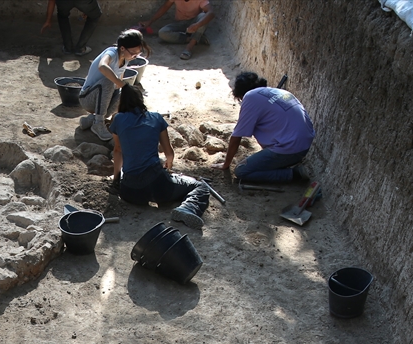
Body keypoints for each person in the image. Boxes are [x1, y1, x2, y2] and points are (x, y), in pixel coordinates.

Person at [111, 83, 211, 229]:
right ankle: (188, 208)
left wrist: (116, 180)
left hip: (130, 192)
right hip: (158, 186)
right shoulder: (156, 118)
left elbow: (118, 150)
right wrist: (169, 167)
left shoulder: (118, 119)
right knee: (200, 186)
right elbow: (169, 152)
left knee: (145, 181)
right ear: (141, 100)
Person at [221, 72, 315, 184]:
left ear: (241, 94)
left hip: (290, 149)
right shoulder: (278, 92)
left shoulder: (250, 97)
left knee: (242, 170)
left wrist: (226, 164)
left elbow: (236, 136)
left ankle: (294, 174)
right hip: (304, 146)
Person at [77, 28, 148, 143]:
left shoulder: (125, 60)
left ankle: (91, 120)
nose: (135, 56)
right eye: (133, 53)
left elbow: (118, 86)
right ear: (122, 48)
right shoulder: (111, 52)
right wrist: (122, 84)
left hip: (102, 100)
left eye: (138, 54)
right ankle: (98, 123)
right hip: (87, 98)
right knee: (109, 81)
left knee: (124, 92)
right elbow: (102, 66)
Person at [140, 0, 215, 60]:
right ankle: (196, 38)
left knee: (203, 16)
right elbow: (165, 7)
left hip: (194, 23)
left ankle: (189, 47)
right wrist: (150, 21)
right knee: (162, 33)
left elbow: (211, 12)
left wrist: (196, 25)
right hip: (180, 23)